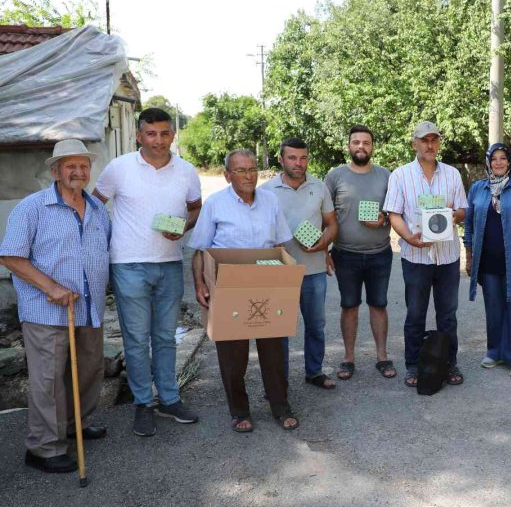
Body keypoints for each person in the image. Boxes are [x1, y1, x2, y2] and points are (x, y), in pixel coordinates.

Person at [0, 140, 110, 473]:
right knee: (48, 380)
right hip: (46, 309)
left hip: (88, 308)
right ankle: (44, 447)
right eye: (70, 166)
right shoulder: (32, 207)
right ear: (56, 171)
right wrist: (52, 287)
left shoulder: (97, 208)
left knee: (88, 371)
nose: (78, 172)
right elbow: (10, 256)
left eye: (83, 166)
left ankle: (74, 425)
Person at [93, 107, 202, 437]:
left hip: (169, 263)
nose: (158, 140)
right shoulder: (119, 168)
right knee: (137, 339)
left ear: (173, 135)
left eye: (165, 133)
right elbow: (95, 205)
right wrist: (105, 244)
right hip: (128, 264)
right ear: (139, 136)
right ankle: (143, 402)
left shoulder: (186, 171)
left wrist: (184, 226)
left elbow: (196, 207)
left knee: (165, 337)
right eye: (151, 134)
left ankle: (169, 398)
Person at [189, 149, 299, 432]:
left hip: (267, 284)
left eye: (252, 169)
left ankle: (280, 406)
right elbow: (200, 249)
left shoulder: (270, 201)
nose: (249, 176)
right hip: (228, 287)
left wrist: (286, 281)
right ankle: (239, 411)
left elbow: (280, 245)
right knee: (232, 356)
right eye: (240, 170)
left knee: (274, 353)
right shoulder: (215, 204)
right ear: (228, 175)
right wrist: (200, 284)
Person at [384, 121, 468, 388]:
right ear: (414, 144)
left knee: (448, 315)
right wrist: (409, 237)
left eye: (434, 140)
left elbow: (463, 209)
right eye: (424, 140)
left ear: (438, 143)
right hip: (416, 257)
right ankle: (413, 364)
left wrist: (453, 215)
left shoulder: (452, 174)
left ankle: (449, 362)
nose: (430, 145)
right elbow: (394, 214)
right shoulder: (400, 175)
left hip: (448, 257)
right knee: (415, 314)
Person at [261, 138, 338, 390]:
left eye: (303, 158)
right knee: (279, 329)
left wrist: (323, 243)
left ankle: (314, 372)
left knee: (316, 326)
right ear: (281, 159)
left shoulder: (319, 186)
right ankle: (279, 381)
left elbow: (331, 223)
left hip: (313, 269)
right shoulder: (265, 191)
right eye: (292, 158)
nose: (298, 163)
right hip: (279, 272)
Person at [324, 125, 395, 380]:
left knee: (379, 305)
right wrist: (324, 250)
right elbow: (324, 215)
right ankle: (348, 358)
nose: (361, 146)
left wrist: (384, 218)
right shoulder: (335, 176)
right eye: (356, 142)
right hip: (345, 254)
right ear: (349, 146)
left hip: (380, 253)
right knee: (349, 306)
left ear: (372, 147)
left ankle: (382, 357)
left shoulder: (386, 176)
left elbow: (397, 211)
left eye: (366, 142)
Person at [463, 143, 511, 378]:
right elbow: (468, 224)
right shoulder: (477, 189)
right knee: (493, 308)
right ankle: (495, 351)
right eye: (494, 158)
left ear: (509, 162)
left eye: (503, 158)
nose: (498, 162)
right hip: (487, 261)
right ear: (488, 162)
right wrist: (469, 256)